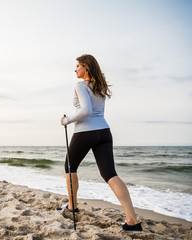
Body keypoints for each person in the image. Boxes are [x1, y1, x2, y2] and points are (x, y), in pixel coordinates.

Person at [60, 54, 142, 231]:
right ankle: (132, 220)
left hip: (85, 132)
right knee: (110, 174)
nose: (75, 69)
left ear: (86, 68)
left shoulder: (80, 85)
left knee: (69, 166)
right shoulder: (100, 86)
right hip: (104, 131)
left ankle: (72, 207)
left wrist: (67, 120)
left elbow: (86, 111)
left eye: (78, 66)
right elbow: (94, 111)